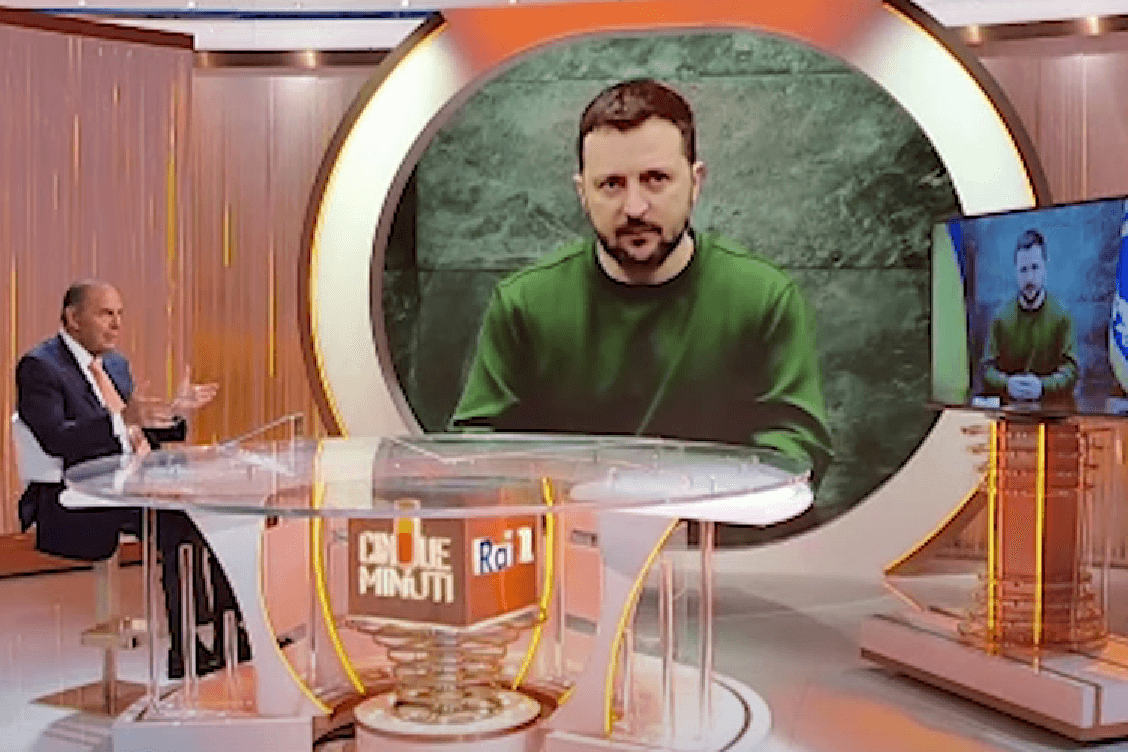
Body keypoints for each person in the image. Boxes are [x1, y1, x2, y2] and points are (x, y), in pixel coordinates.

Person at [450, 78, 833, 484]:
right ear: (582, 193)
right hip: (567, 524)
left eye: (656, 179)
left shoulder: (763, 299)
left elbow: (796, 453)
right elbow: (476, 452)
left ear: (696, 182)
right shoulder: (525, 305)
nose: (634, 207)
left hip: (718, 525)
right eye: (611, 185)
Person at [16, 280, 249, 679]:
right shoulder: (40, 367)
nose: (117, 324)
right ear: (73, 318)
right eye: (106, 314)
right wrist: (121, 420)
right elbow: (56, 438)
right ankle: (185, 647)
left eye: (120, 314)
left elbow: (136, 432)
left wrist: (175, 412)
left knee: (217, 512)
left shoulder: (116, 365)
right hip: (76, 496)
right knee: (178, 521)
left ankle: (235, 634)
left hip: (131, 480)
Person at [981, 229, 1078, 406]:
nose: (1029, 278)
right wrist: (1008, 384)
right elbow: (987, 369)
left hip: (1051, 409)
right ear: (1015, 272)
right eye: (1023, 270)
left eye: (1035, 267)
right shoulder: (1001, 317)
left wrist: (1042, 386)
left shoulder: (1062, 315)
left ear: (1045, 268)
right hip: (1010, 408)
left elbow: (1071, 371)